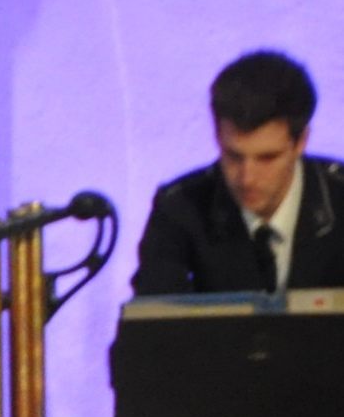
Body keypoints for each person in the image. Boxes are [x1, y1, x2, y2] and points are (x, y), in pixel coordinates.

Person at [133, 48, 338, 298]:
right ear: (217, 136)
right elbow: (153, 326)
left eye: (267, 158)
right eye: (233, 156)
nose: (247, 178)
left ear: (301, 142)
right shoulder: (180, 209)